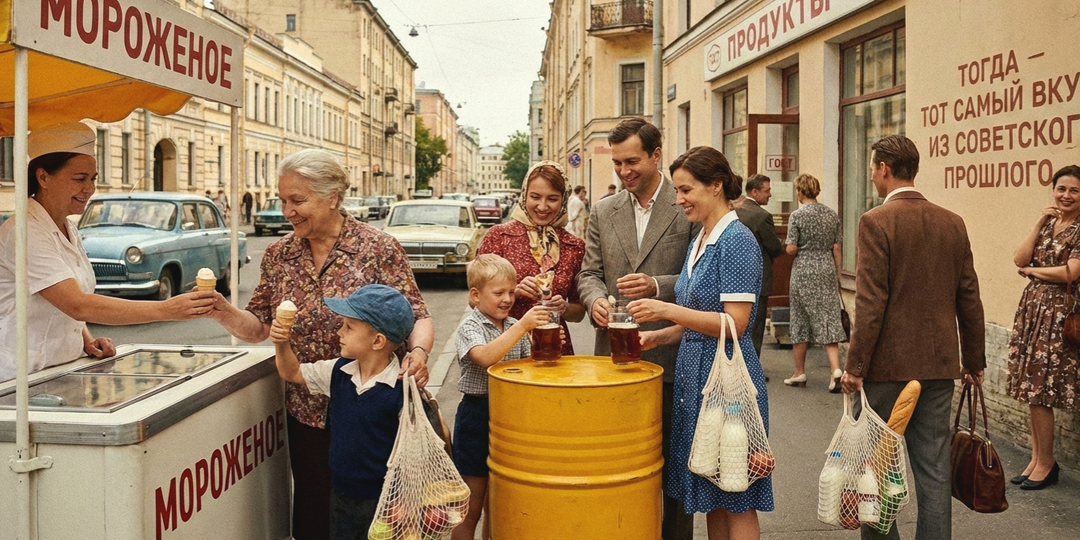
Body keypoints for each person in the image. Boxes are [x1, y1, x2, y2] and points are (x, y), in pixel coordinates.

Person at [206, 148, 434, 540]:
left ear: (332, 197)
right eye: (282, 200)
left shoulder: (377, 247)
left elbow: (419, 316)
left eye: (298, 200)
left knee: (378, 515)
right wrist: (221, 310)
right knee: (315, 511)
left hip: (374, 412)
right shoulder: (280, 255)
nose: (287, 210)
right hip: (309, 411)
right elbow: (259, 325)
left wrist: (418, 352)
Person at [841, 135, 985, 540]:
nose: (872, 175)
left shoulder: (875, 221)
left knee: (875, 466)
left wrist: (854, 367)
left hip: (887, 369)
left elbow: (870, 303)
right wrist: (974, 361)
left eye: (872, 168)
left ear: (884, 168)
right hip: (939, 366)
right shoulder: (952, 221)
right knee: (934, 469)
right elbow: (969, 297)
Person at [0, 122, 216, 382]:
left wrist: (87, 340)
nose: (89, 189)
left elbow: (67, 298)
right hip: (19, 376)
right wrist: (166, 309)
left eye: (93, 179)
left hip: (60, 369)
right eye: (79, 179)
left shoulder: (66, 226)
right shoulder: (24, 230)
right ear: (43, 177)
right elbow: (77, 304)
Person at [629, 146, 771, 540]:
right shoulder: (703, 239)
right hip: (699, 380)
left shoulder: (737, 239)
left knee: (737, 494)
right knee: (712, 490)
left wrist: (668, 310)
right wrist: (660, 334)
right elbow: (702, 319)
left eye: (686, 189)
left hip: (728, 384)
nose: (679, 199)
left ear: (716, 186)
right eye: (677, 190)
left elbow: (735, 324)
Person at [577, 117, 698, 540]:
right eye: (617, 164)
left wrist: (658, 286)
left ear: (656, 155)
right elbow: (589, 273)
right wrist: (594, 302)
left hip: (672, 356)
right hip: (614, 361)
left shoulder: (685, 205)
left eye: (633, 161)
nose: (624, 171)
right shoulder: (604, 209)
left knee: (675, 468)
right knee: (616, 465)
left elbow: (701, 275)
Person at [269, 284, 414, 540]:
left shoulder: (402, 391)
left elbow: (418, 452)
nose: (339, 332)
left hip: (386, 501)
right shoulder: (339, 371)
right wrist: (282, 344)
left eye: (348, 327)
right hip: (340, 493)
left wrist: (406, 503)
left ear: (377, 340)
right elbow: (292, 373)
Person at [452, 254, 551, 540]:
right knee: (471, 501)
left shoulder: (511, 324)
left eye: (511, 291)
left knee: (498, 500)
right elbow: (485, 357)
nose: (507, 299)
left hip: (508, 414)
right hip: (477, 413)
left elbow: (524, 368)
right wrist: (523, 327)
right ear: (475, 296)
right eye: (498, 293)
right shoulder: (471, 326)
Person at [1006, 164, 1080, 490]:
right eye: (1061, 188)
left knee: (1041, 390)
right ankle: (1037, 458)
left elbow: (1071, 272)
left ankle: (1047, 463)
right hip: (1034, 311)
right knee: (1030, 389)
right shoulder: (1049, 223)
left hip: (1058, 316)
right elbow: (1019, 258)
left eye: (1074, 190)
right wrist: (1039, 220)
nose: (1066, 195)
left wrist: (1036, 272)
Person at [477, 161, 585, 355]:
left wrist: (564, 307)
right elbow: (475, 300)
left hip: (554, 346)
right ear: (524, 195)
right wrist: (513, 292)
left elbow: (579, 313)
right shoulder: (499, 237)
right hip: (505, 346)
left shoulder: (574, 246)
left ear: (563, 200)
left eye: (552, 199)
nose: (542, 206)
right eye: (535, 197)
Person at [783, 174, 846, 392]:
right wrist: (837, 275)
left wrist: (791, 246)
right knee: (828, 316)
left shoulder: (797, 216)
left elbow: (791, 248)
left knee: (800, 317)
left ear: (800, 191)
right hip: (826, 267)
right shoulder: (831, 214)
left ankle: (799, 372)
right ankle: (835, 369)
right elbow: (837, 247)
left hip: (804, 269)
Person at [736, 174, 783, 357]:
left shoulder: (735, 211)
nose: (770, 195)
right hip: (758, 279)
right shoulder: (762, 216)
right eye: (767, 191)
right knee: (755, 327)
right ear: (754, 192)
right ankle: (752, 368)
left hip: (737, 277)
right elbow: (774, 247)